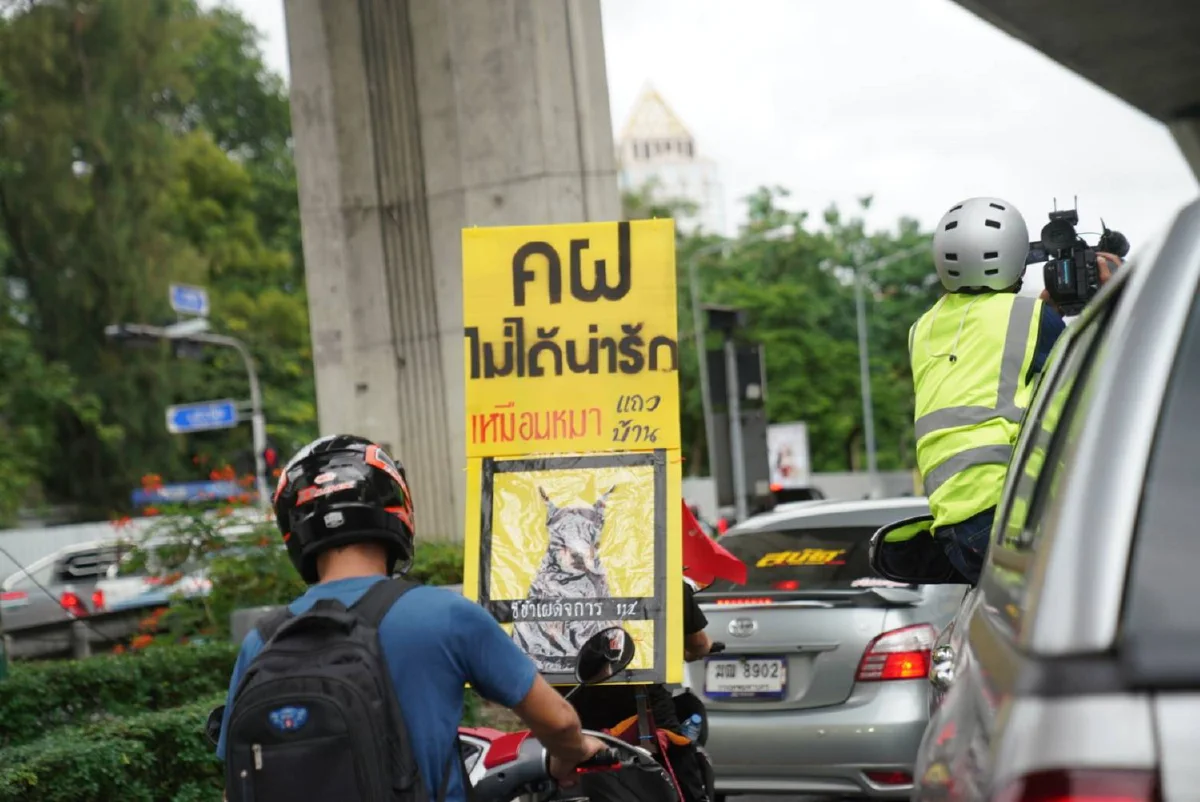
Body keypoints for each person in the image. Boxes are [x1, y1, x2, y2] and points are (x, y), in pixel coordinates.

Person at [214, 434, 605, 802]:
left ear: (293, 531)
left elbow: (236, 784)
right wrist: (570, 753)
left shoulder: (262, 641)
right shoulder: (445, 616)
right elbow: (559, 723)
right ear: (396, 510)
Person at [912, 197, 1120, 584]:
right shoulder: (1031, 318)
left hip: (956, 527)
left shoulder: (923, 328)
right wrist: (1115, 295)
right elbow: (1094, 379)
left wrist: (1045, 313)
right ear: (1017, 260)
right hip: (1008, 512)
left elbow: (992, 355)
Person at [564, 578, 715, 802]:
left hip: (564, 707)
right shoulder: (662, 572)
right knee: (684, 781)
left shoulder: (552, 580)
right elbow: (699, 644)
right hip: (645, 713)